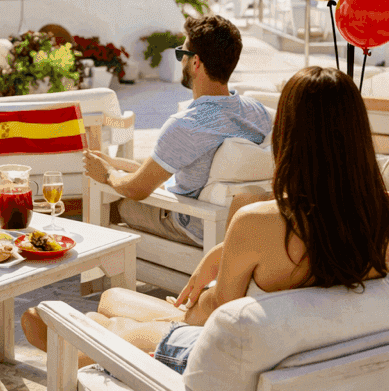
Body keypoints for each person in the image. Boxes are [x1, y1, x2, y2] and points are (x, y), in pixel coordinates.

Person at [22, 66, 389, 372]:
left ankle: (102, 344)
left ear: (289, 135)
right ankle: (132, 329)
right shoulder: (385, 215)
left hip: (234, 354)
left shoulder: (261, 222)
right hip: (298, 347)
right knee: (111, 296)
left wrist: (198, 300)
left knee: (87, 322)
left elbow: (218, 317)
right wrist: (218, 258)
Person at [83, 14, 272, 247]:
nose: (180, 61)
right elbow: (175, 174)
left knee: (111, 198)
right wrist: (116, 164)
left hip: (195, 224)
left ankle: (96, 279)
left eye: (181, 54)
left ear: (195, 63)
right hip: (241, 223)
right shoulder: (258, 112)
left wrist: (107, 175)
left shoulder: (186, 125)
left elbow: (136, 188)